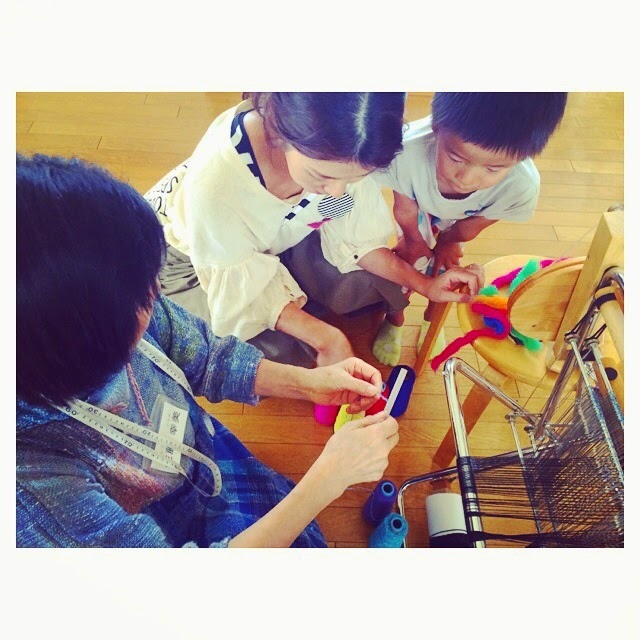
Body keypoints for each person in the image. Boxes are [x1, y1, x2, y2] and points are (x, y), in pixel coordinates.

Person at [16, 154, 399, 548]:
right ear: (78, 346)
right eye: (142, 299)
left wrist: (309, 383)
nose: (157, 294)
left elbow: (205, 355)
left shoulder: (109, 300)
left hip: (200, 455)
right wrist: (327, 481)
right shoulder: (36, 498)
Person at [144, 92, 483, 369]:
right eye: (323, 176)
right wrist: (328, 338)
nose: (338, 192)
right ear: (279, 131)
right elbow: (241, 292)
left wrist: (425, 285)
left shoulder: (347, 152)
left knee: (358, 285)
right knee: (268, 358)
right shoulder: (217, 189)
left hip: (271, 238)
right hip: (191, 265)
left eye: (356, 177)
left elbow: (357, 241)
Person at [369, 92, 568, 366]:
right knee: (404, 266)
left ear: (523, 156)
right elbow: (404, 209)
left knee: (447, 272)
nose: (467, 179)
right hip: (415, 212)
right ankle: (395, 318)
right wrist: (414, 240)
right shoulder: (405, 150)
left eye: (493, 169)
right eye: (456, 158)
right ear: (437, 126)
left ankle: (431, 321)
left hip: (459, 223)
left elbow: (473, 226)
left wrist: (449, 242)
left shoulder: (521, 187)